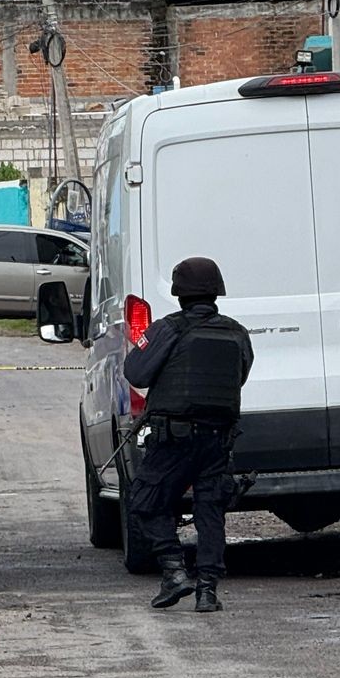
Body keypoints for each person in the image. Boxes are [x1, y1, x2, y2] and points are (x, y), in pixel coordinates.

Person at [124, 256, 255, 613]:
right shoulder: (237, 333)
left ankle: (174, 571)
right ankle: (208, 591)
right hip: (218, 439)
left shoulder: (168, 329)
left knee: (144, 501)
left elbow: (136, 372)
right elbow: (239, 376)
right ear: (216, 292)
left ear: (179, 293)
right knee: (210, 511)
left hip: (174, 439)